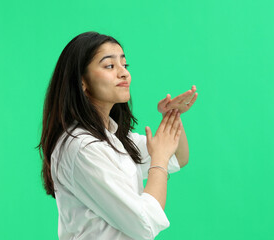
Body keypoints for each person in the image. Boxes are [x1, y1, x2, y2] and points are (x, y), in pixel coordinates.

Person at [37, 31, 198, 240]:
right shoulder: (82, 147)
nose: (124, 73)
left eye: (124, 65)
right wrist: (158, 159)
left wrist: (172, 116)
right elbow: (145, 224)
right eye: (109, 66)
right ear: (82, 81)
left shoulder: (114, 137)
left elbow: (178, 157)